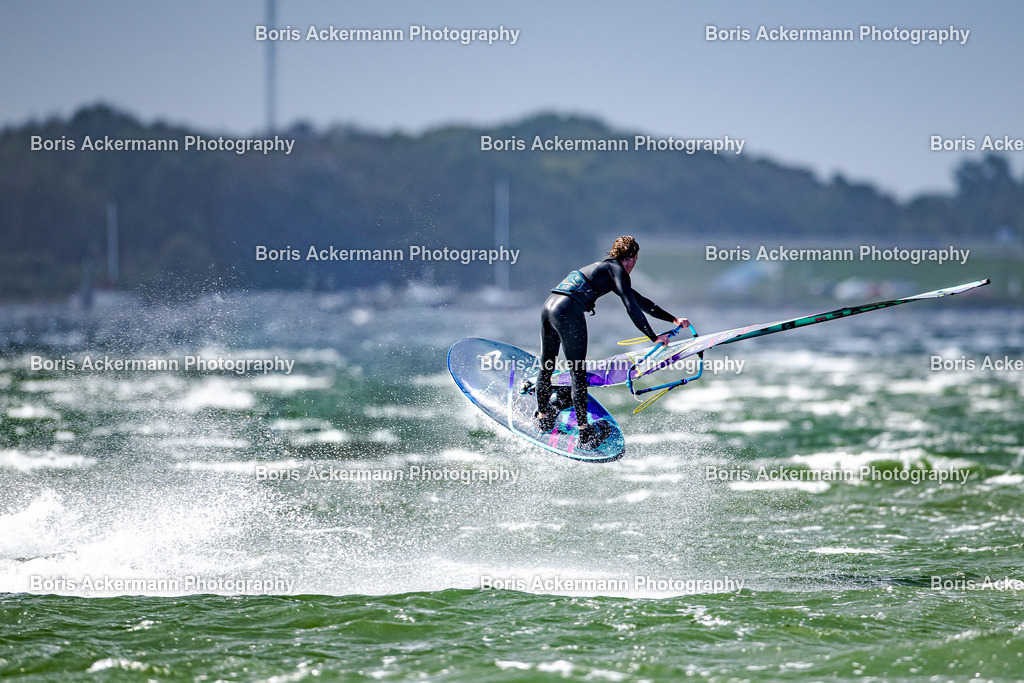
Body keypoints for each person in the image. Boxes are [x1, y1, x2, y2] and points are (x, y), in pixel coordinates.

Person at [534, 236, 689, 449]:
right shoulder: (617, 270)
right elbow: (632, 308)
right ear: (630, 258)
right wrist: (653, 337)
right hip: (568, 311)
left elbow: (640, 301)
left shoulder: (603, 269)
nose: (634, 265)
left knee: (547, 364)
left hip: (549, 306)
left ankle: (543, 417)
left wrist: (673, 319)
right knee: (577, 372)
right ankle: (585, 434)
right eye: (635, 260)